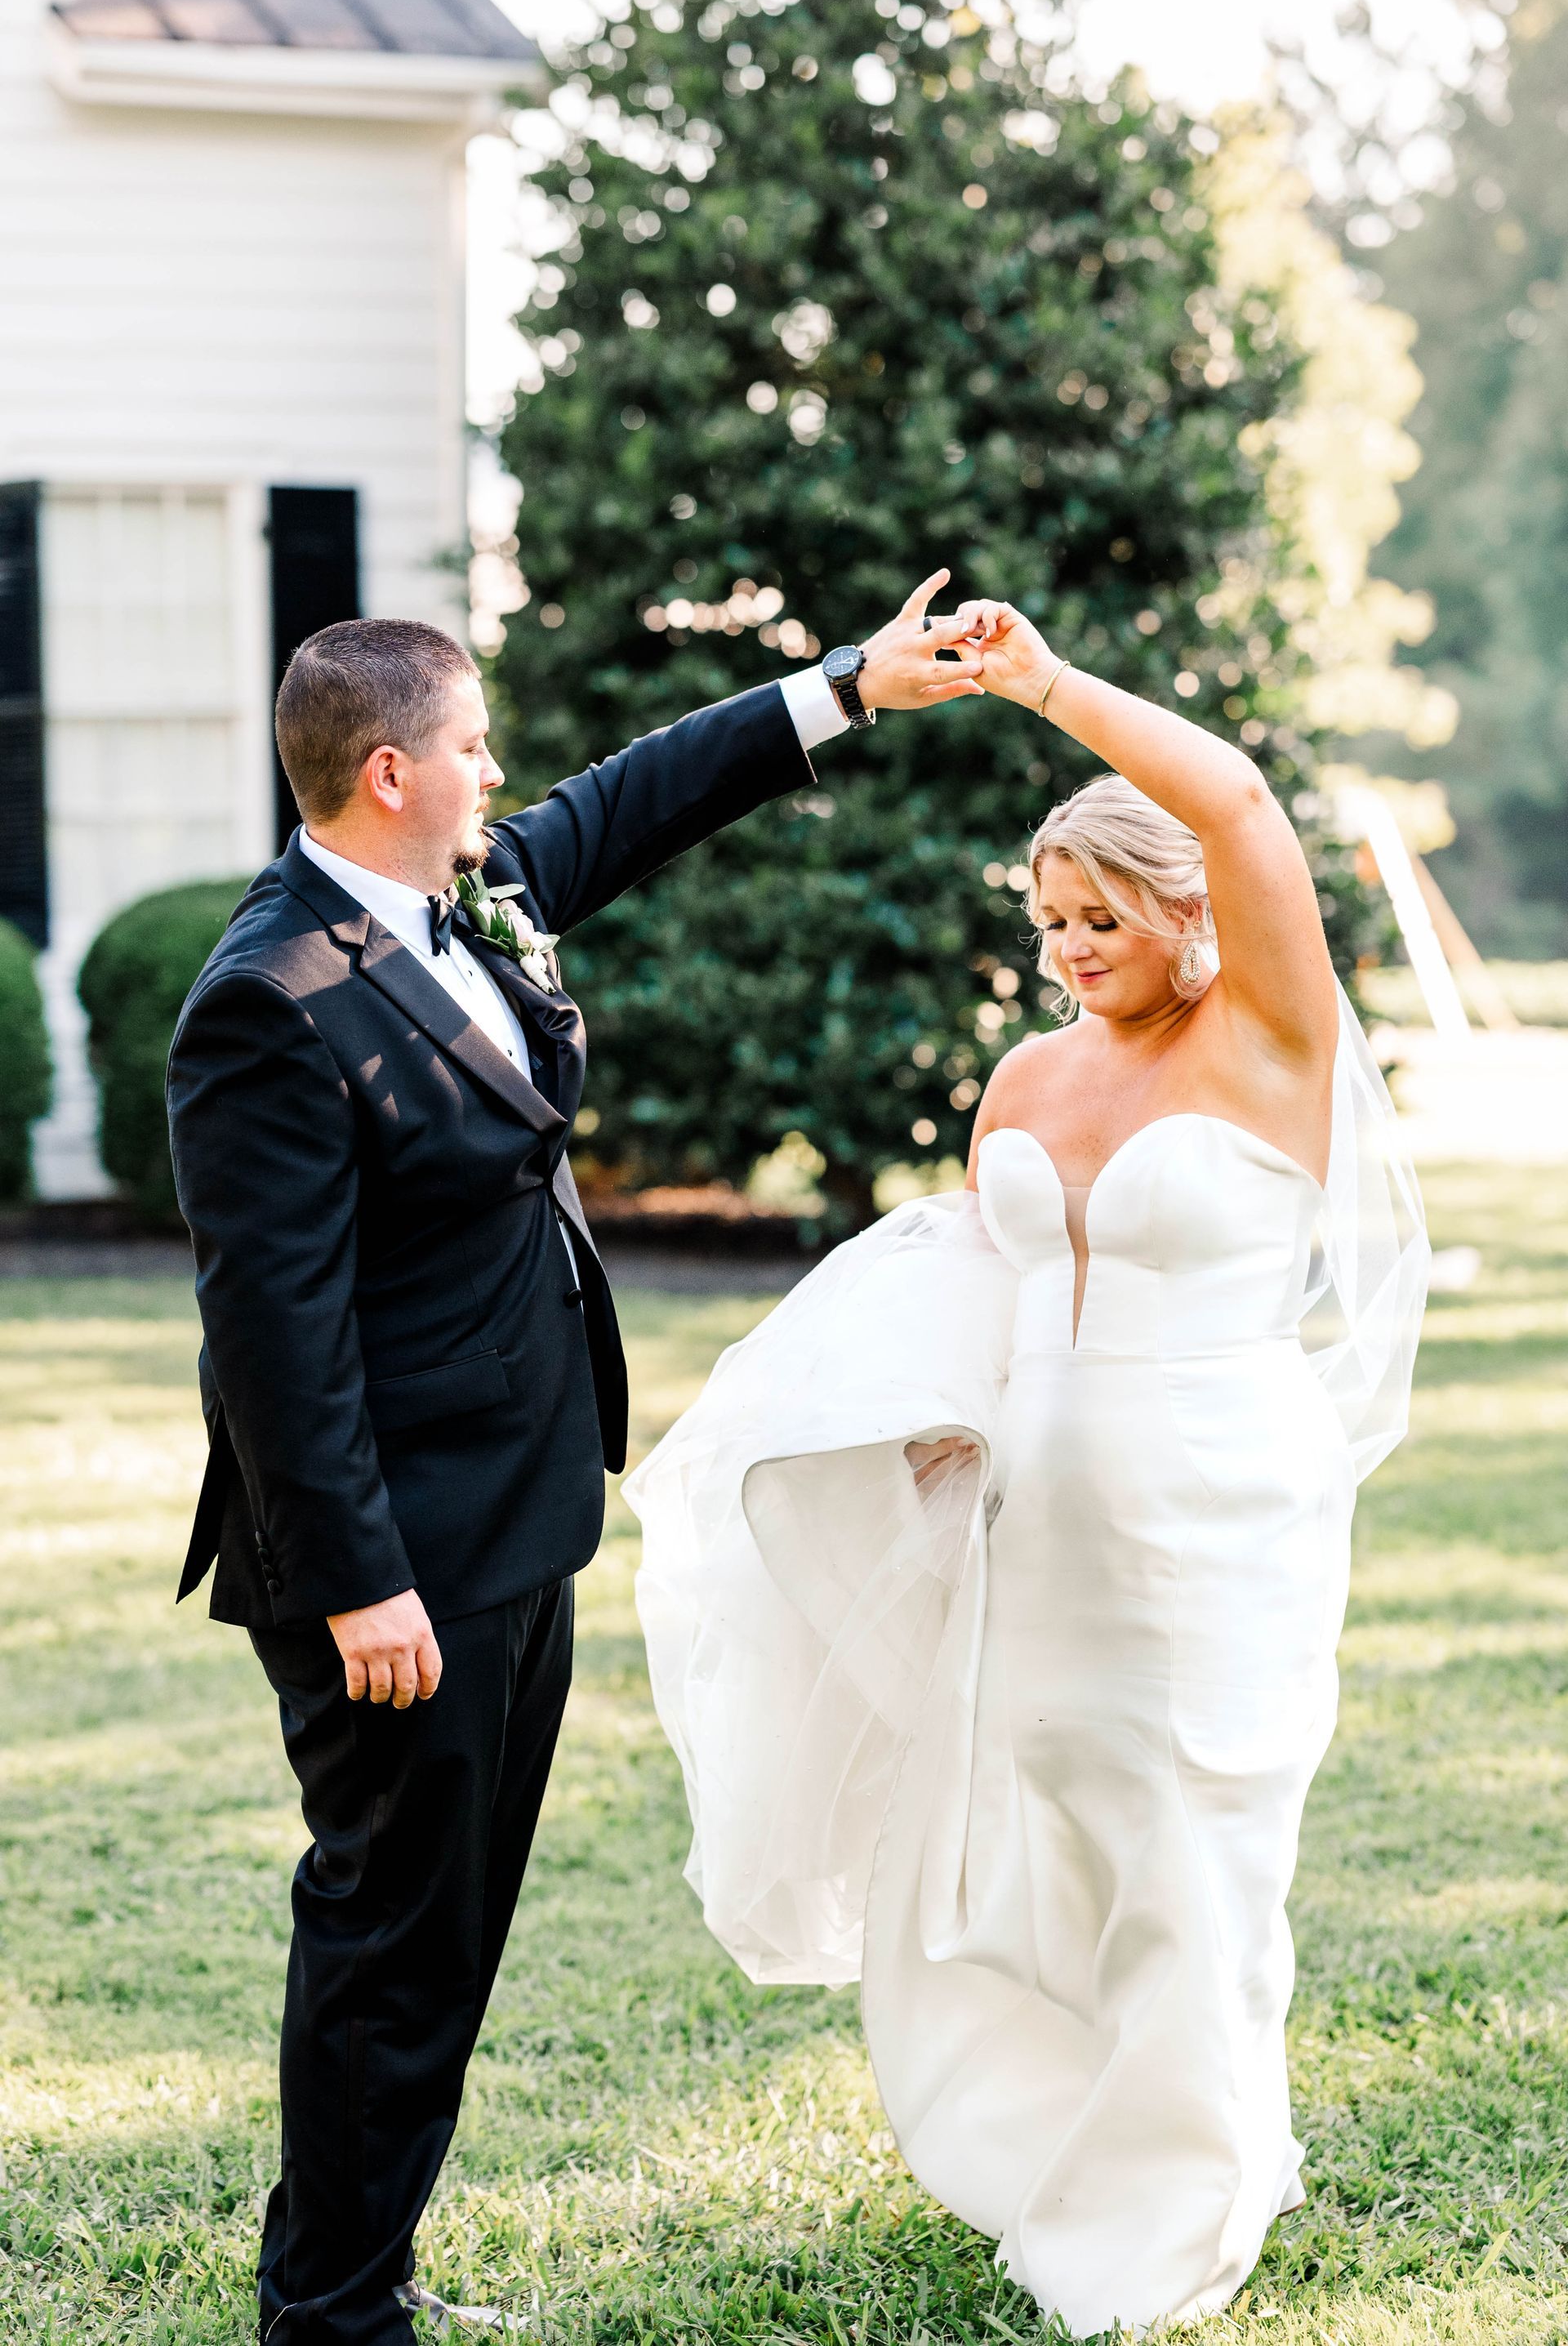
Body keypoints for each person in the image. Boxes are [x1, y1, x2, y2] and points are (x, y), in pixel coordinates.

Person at [164, 578, 983, 2346]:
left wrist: (850, 685)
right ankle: (330, 2313)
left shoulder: (468, 897)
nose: (500, 770)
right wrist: (365, 1577)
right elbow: (272, 1334)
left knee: (444, 1937)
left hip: (519, 1512)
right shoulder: (270, 998)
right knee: (391, 1935)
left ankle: (356, 2263)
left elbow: (634, 793)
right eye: (474, 745)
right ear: (393, 771)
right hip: (398, 1560)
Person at [626, 595, 1429, 2339]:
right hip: (1031, 1523)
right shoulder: (1026, 1077)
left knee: (1192, 1849)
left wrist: (1047, 685)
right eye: (1049, 919)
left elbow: (1243, 810)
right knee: (1028, 1846)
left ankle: (1183, 2201)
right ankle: (1067, 2132)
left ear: (1181, 914)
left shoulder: (1267, 1046)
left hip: (1217, 1511)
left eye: (1100, 917)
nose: (1067, 946)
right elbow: (973, 1301)